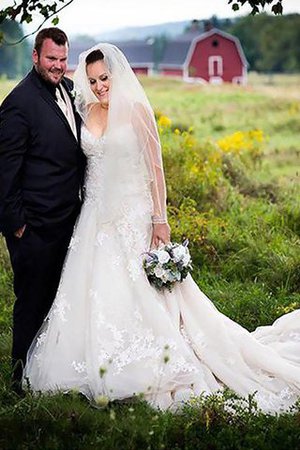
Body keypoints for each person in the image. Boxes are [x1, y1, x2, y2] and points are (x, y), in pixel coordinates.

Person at [24, 44, 300, 413]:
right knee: (91, 289)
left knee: (146, 292)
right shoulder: (85, 109)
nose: (100, 86)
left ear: (117, 75)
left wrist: (160, 219)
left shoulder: (136, 110)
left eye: (105, 78)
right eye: (92, 80)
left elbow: (155, 169)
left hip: (133, 214)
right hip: (93, 217)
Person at [0, 28, 85, 391]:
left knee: (58, 304)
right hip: (34, 228)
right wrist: (17, 225)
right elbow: (5, 171)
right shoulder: (19, 102)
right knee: (32, 304)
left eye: (63, 59)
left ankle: (48, 376)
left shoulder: (68, 90)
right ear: (35, 57)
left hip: (69, 222)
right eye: (51, 59)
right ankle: (19, 379)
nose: (58, 66)